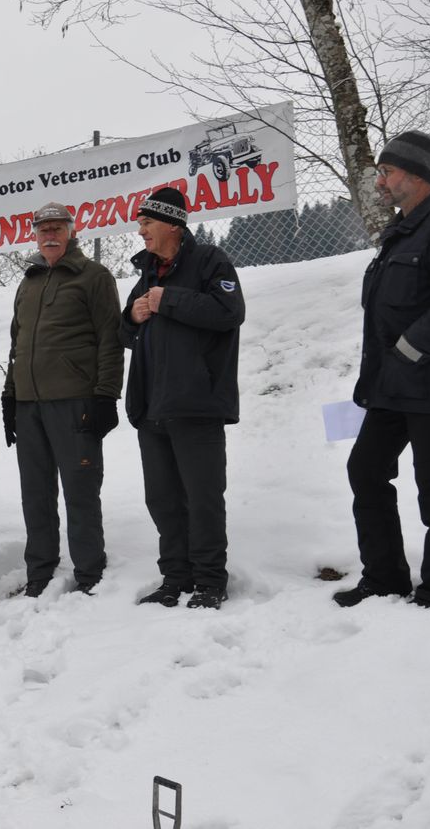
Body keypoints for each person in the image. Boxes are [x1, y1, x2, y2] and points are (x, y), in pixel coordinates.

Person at [334, 130, 430, 609]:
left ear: (417, 175)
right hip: (390, 385)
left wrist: (412, 344)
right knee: (365, 470)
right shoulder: (400, 230)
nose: (380, 181)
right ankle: (384, 577)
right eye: (380, 172)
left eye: (387, 172)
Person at [120, 187, 245, 610]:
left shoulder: (210, 261)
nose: (140, 231)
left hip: (196, 405)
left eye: (146, 222)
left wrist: (168, 299)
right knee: (163, 500)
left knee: (202, 497)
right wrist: (131, 316)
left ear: (172, 223)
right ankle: (175, 577)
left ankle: (210, 581)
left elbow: (229, 311)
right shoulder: (148, 272)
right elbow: (129, 333)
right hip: (152, 406)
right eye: (140, 223)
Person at [1, 202, 124, 597]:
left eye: (57, 228)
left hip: (75, 401)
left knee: (80, 490)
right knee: (35, 492)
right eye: (43, 229)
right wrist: (10, 395)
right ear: (34, 234)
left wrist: (106, 396)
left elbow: (111, 340)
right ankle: (40, 569)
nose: (49, 235)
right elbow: (17, 344)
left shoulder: (94, 276)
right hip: (29, 405)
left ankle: (89, 572)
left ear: (72, 232)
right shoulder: (29, 281)